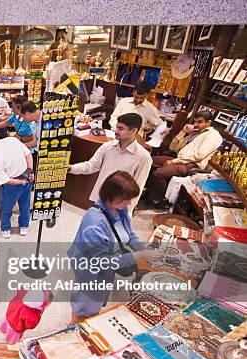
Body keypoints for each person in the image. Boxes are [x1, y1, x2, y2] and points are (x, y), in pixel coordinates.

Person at [68, 171, 155, 325]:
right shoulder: (94, 222)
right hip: (91, 269)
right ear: (111, 195)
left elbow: (129, 233)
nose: (129, 203)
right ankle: (76, 326)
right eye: (125, 199)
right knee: (86, 304)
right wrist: (138, 257)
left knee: (96, 299)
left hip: (106, 267)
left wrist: (143, 250)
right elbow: (103, 262)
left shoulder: (120, 209)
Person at [69, 113, 152, 213]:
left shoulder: (144, 157)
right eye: (116, 127)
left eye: (121, 129)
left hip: (120, 208)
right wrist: (70, 168)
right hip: (100, 201)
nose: (115, 131)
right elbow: (90, 166)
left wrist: (126, 212)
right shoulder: (107, 147)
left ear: (134, 131)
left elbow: (138, 188)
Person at [146, 110, 223, 207]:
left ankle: (164, 199)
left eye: (200, 122)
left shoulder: (213, 135)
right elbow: (173, 147)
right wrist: (183, 131)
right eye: (195, 122)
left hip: (192, 165)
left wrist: (174, 161)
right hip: (180, 159)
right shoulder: (195, 133)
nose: (196, 124)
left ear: (208, 122)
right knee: (149, 160)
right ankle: (152, 194)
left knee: (158, 174)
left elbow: (198, 155)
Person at [109, 82, 164, 147]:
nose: (138, 100)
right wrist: (118, 129)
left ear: (147, 95)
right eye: (136, 97)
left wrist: (152, 128)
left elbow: (161, 125)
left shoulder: (150, 109)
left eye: (141, 98)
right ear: (133, 92)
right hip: (116, 136)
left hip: (135, 141)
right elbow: (114, 117)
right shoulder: (123, 102)